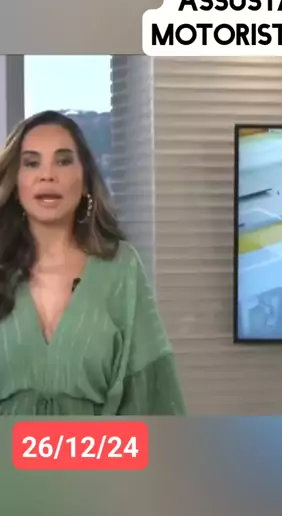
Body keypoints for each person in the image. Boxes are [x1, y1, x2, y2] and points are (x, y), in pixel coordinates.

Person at [0, 109, 186, 416]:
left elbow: (153, 396)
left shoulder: (121, 267)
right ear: (16, 182)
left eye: (63, 161)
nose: (47, 175)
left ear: (85, 179)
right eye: (32, 163)